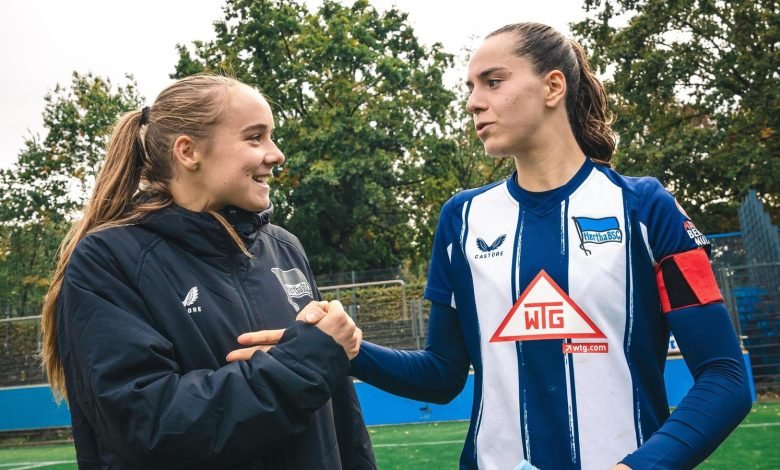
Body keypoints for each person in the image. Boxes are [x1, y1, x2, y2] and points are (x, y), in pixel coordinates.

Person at [230, 23, 752, 469]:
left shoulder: (646, 208)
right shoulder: (462, 219)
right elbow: (441, 375)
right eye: (471, 86)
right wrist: (344, 350)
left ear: (552, 86)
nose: (473, 101)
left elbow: (725, 377)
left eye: (493, 82)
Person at [40, 74, 376, 469]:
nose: (277, 154)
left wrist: (329, 347)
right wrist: (303, 362)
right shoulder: (109, 258)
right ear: (188, 151)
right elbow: (148, 426)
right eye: (255, 138)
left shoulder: (284, 248)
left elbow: (342, 421)